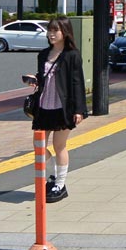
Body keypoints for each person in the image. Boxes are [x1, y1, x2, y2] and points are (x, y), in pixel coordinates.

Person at [27, 16, 88, 203]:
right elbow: (43, 77)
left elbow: (77, 83)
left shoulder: (72, 55)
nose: (51, 34)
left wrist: (79, 110)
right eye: (50, 30)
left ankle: (60, 184)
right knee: (38, 146)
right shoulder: (43, 54)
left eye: (56, 30)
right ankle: (52, 177)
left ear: (65, 32)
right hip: (44, 105)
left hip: (63, 107)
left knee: (59, 146)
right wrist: (34, 79)